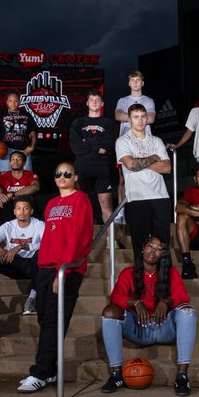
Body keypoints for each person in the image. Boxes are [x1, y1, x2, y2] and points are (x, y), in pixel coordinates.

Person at [17, 162, 94, 393]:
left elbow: (78, 236)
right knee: (44, 319)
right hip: (45, 267)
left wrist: (64, 270)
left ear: (75, 176)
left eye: (67, 173)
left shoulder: (81, 199)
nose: (62, 176)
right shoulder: (51, 204)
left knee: (53, 321)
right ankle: (49, 371)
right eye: (58, 173)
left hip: (66, 269)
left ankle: (40, 373)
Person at [99, 237, 196, 396]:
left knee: (187, 311)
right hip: (138, 327)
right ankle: (116, 374)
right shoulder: (128, 272)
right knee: (110, 312)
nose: (153, 251)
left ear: (163, 254)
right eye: (150, 246)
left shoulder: (170, 273)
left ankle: (182, 376)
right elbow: (116, 297)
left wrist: (166, 302)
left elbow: (183, 297)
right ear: (143, 248)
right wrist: (135, 302)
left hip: (164, 327)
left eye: (158, 249)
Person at [116, 103, 172, 257]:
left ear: (147, 118)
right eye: (135, 117)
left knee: (163, 247)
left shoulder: (157, 141)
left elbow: (167, 168)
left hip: (160, 197)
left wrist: (141, 161)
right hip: (136, 199)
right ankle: (142, 280)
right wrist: (154, 158)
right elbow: (131, 165)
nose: (140, 120)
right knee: (140, 247)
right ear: (129, 119)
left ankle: (164, 280)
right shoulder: (122, 141)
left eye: (142, 117)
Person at [0, 197, 44, 316]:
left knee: (41, 253)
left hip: (32, 265)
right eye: (18, 208)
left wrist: (21, 246)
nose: (21, 212)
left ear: (31, 211)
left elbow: (47, 244)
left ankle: (33, 298)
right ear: (14, 212)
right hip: (12, 263)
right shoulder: (8, 226)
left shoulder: (39, 225)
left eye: (25, 208)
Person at [113, 71, 157, 221]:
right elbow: (118, 115)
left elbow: (151, 118)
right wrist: (139, 118)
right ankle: (120, 213)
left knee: (146, 177)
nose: (136, 83)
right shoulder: (123, 100)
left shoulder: (148, 100)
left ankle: (146, 211)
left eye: (138, 80)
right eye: (133, 80)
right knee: (123, 180)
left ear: (142, 83)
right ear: (129, 83)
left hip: (144, 144)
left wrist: (130, 117)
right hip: (125, 143)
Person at [69, 90, 118, 224]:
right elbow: (76, 148)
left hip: (102, 170)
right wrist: (98, 147)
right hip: (81, 170)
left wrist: (87, 142)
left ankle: (110, 241)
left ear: (102, 103)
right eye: (92, 99)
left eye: (97, 100)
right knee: (80, 208)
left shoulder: (109, 123)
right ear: (87, 103)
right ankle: (80, 240)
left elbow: (110, 145)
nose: (95, 102)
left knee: (106, 206)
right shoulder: (78, 123)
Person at [0, 151, 40, 240]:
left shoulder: (30, 175)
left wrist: (14, 194)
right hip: (7, 209)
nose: (15, 162)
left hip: (24, 211)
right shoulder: (4, 176)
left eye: (19, 159)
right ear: (10, 163)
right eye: (13, 159)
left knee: (27, 198)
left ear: (24, 163)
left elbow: (35, 187)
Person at [0, 92, 37, 172]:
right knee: (4, 177)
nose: (13, 103)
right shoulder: (1, 115)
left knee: (27, 177)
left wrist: (32, 147)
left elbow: (33, 134)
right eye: (10, 100)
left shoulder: (27, 115)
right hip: (6, 149)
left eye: (16, 100)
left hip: (24, 150)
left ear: (19, 102)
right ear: (7, 102)